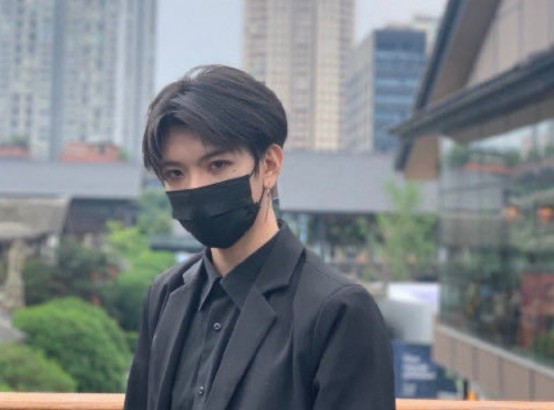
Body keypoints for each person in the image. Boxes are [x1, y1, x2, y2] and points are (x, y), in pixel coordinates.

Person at [124, 65, 395, 410]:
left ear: (269, 165)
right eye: (175, 173)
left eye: (217, 165)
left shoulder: (338, 312)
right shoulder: (166, 295)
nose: (195, 187)